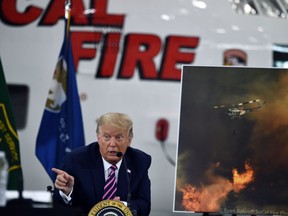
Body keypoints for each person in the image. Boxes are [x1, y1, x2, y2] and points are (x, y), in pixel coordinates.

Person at [52, 112, 152, 215]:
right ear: (99, 138)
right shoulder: (76, 160)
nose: (112, 144)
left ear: (129, 140)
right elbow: (58, 205)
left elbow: (144, 205)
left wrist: (122, 207)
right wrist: (67, 192)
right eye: (107, 137)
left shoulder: (140, 161)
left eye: (119, 138)